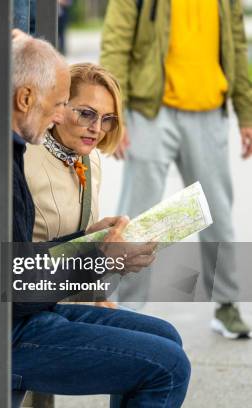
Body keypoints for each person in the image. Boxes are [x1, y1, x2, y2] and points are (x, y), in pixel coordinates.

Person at [0, 32, 191, 406]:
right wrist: (103, 257)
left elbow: (16, 265)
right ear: (25, 98)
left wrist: (89, 238)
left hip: (5, 323)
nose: (60, 115)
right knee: (168, 366)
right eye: (60, 103)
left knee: (165, 337)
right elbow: (18, 285)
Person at [100, 0, 252, 338]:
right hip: (152, 111)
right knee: (139, 217)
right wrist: (116, 112)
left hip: (209, 111)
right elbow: (116, 41)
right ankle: (127, 309)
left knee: (218, 212)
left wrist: (246, 113)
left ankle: (226, 304)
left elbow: (237, 47)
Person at [25, 62, 123, 308]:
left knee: (167, 335)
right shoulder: (23, 160)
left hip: (79, 303)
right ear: (59, 107)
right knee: (163, 346)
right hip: (37, 309)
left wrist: (99, 297)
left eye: (107, 119)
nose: (97, 129)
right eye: (86, 114)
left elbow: (83, 251)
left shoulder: (91, 160)